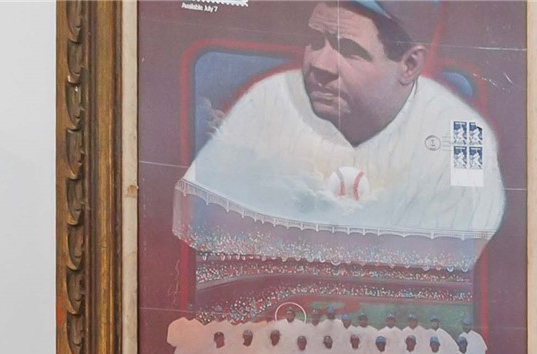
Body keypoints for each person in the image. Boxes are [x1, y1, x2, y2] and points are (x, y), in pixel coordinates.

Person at [174, 0, 505, 275]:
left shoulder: (462, 134)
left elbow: (453, 260)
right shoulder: (268, 101)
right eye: (316, 41)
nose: (320, 63)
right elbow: (201, 226)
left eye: (347, 49)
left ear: (409, 64)